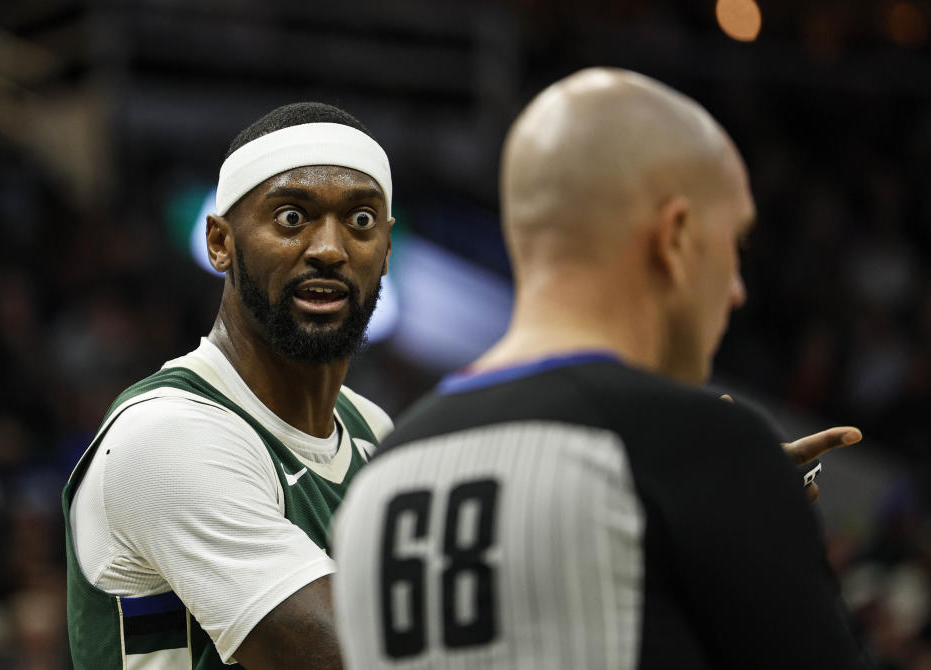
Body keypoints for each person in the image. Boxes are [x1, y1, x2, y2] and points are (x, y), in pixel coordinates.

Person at [331, 69, 873, 669]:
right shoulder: (694, 451)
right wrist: (753, 511)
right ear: (676, 237)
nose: (739, 289)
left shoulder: (378, 481)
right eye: (735, 244)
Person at [63, 102, 395, 670]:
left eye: (360, 220)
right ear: (220, 242)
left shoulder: (375, 430)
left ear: (386, 248)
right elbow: (342, 655)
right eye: (292, 217)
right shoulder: (167, 433)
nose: (329, 249)